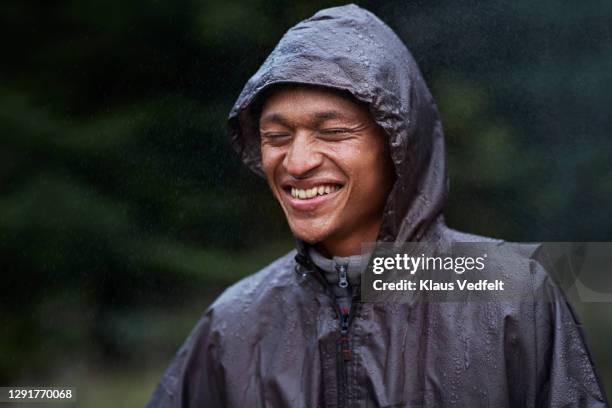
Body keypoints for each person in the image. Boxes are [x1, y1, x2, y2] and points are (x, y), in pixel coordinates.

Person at [147, 4, 608, 407]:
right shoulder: (235, 323)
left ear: (398, 144)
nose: (298, 161)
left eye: (332, 132)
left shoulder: (512, 294)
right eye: (276, 137)